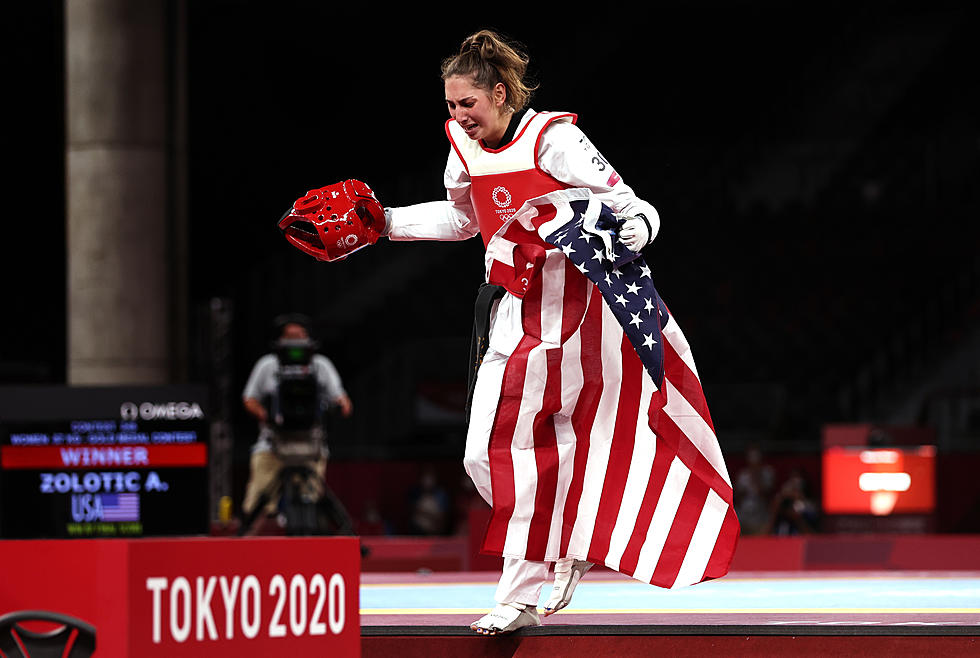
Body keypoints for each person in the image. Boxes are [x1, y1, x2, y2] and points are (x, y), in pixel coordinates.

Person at [303, 29, 739, 634]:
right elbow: (463, 218)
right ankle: (564, 548)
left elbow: (629, 202)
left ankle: (522, 593)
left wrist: (639, 227)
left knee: (550, 445)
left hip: (584, 313)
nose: (458, 116)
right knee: (484, 455)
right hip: (513, 310)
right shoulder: (463, 145)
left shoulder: (553, 139)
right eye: (451, 105)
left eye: (468, 104)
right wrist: (386, 223)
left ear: (501, 93)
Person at [240, 313, 353, 534]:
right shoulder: (268, 365)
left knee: (310, 500)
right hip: (272, 445)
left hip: (310, 446)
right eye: (289, 335)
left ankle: (311, 551)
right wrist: (267, 416)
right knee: (256, 503)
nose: (295, 340)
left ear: (308, 338)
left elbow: (344, 403)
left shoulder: (321, 366)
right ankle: (241, 552)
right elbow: (249, 399)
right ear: (280, 339)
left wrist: (338, 406)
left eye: (299, 335)